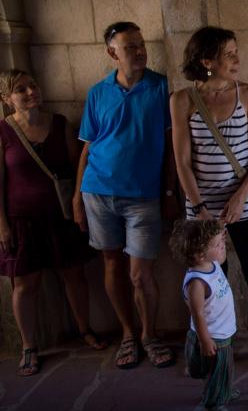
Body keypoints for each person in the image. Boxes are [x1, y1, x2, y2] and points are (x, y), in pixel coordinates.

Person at [170, 26, 248, 382]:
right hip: (199, 206)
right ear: (207, 61)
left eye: (235, 52)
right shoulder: (182, 101)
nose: (237, 60)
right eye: (228, 54)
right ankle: (213, 348)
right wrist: (200, 208)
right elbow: (182, 162)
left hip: (241, 202)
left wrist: (240, 195)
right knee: (207, 279)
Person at [73, 21, 177, 370]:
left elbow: (173, 149)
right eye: (129, 46)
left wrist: (169, 190)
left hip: (144, 197)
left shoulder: (162, 88)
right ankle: (129, 335)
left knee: (140, 274)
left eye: (140, 44)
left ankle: (150, 335)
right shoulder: (98, 92)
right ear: (112, 53)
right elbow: (88, 148)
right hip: (98, 192)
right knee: (112, 264)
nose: (139, 51)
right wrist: (76, 198)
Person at [0, 70, 107, 376]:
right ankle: (28, 346)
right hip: (22, 219)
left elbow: (77, 169)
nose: (31, 92)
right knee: (25, 284)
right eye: (21, 90)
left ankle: (85, 329)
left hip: (60, 216)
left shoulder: (59, 124)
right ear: (7, 99)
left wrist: (80, 205)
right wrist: (2, 225)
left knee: (74, 275)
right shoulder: (3, 131)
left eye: (33, 85)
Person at [170, 219, 239, 410]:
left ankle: (222, 389)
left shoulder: (212, 263)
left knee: (223, 367)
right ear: (200, 255)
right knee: (219, 368)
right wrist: (205, 340)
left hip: (222, 329)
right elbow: (198, 314)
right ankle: (214, 402)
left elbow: (222, 256)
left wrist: (219, 234)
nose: (223, 246)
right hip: (213, 335)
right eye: (218, 245)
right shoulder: (197, 283)